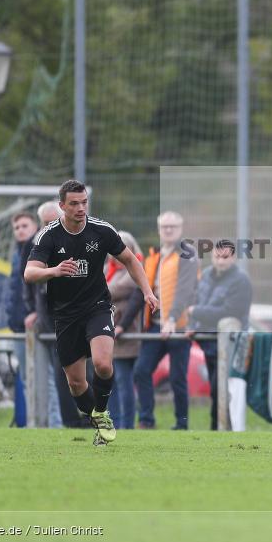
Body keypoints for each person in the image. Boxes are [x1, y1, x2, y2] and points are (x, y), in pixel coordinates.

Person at [24, 180, 159, 446]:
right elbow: (29, 273)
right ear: (62, 206)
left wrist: (148, 292)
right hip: (64, 316)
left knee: (103, 364)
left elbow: (131, 260)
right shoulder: (48, 236)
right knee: (76, 384)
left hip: (97, 308)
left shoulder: (101, 230)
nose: (80, 208)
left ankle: (102, 413)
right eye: (74, 204)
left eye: (84, 202)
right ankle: (99, 416)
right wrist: (54, 271)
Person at [133, 211, 199, 430]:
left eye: (173, 226)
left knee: (177, 377)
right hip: (154, 326)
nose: (168, 230)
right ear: (159, 229)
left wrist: (172, 318)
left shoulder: (188, 254)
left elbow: (185, 290)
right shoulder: (154, 256)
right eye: (164, 226)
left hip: (179, 326)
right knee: (142, 371)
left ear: (180, 229)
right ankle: (146, 420)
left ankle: (182, 423)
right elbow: (143, 289)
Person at [185, 239, 253, 430]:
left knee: (223, 388)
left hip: (231, 344)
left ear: (234, 258)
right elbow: (197, 300)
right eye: (217, 256)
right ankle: (218, 428)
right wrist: (194, 325)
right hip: (209, 343)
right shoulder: (205, 275)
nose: (221, 261)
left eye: (226, 257)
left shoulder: (241, 280)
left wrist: (196, 313)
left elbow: (230, 311)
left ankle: (223, 428)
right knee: (216, 390)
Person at [23, 201, 70, 428]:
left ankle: (75, 419)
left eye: (53, 222)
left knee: (71, 372)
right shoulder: (36, 245)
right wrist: (32, 309)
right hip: (46, 319)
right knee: (49, 374)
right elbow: (28, 281)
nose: (49, 226)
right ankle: (57, 421)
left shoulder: (74, 241)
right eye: (45, 223)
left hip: (70, 318)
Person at [106, 231, 146, 430]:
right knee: (110, 383)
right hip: (109, 336)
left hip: (125, 336)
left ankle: (127, 424)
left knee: (124, 382)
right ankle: (114, 422)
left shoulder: (135, 270)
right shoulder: (109, 270)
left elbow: (111, 291)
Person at [8, 211, 38, 427]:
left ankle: (45, 422)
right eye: (17, 227)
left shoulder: (39, 249)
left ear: (34, 227)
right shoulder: (16, 255)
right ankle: (32, 423)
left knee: (41, 378)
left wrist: (35, 311)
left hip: (36, 324)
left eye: (24, 225)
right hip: (19, 325)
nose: (20, 230)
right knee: (27, 379)